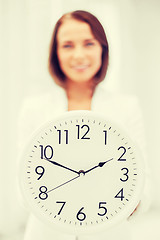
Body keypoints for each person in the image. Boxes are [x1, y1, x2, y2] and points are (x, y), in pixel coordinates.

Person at [17, 10, 150, 240]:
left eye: (88, 43)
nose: (79, 55)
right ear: (55, 53)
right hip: (47, 233)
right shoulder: (34, 108)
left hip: (111, 232)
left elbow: (142, 181)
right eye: (68, 45)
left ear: (102, 49)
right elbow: (24, 185)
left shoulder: (127, 107)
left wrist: (130, 201)